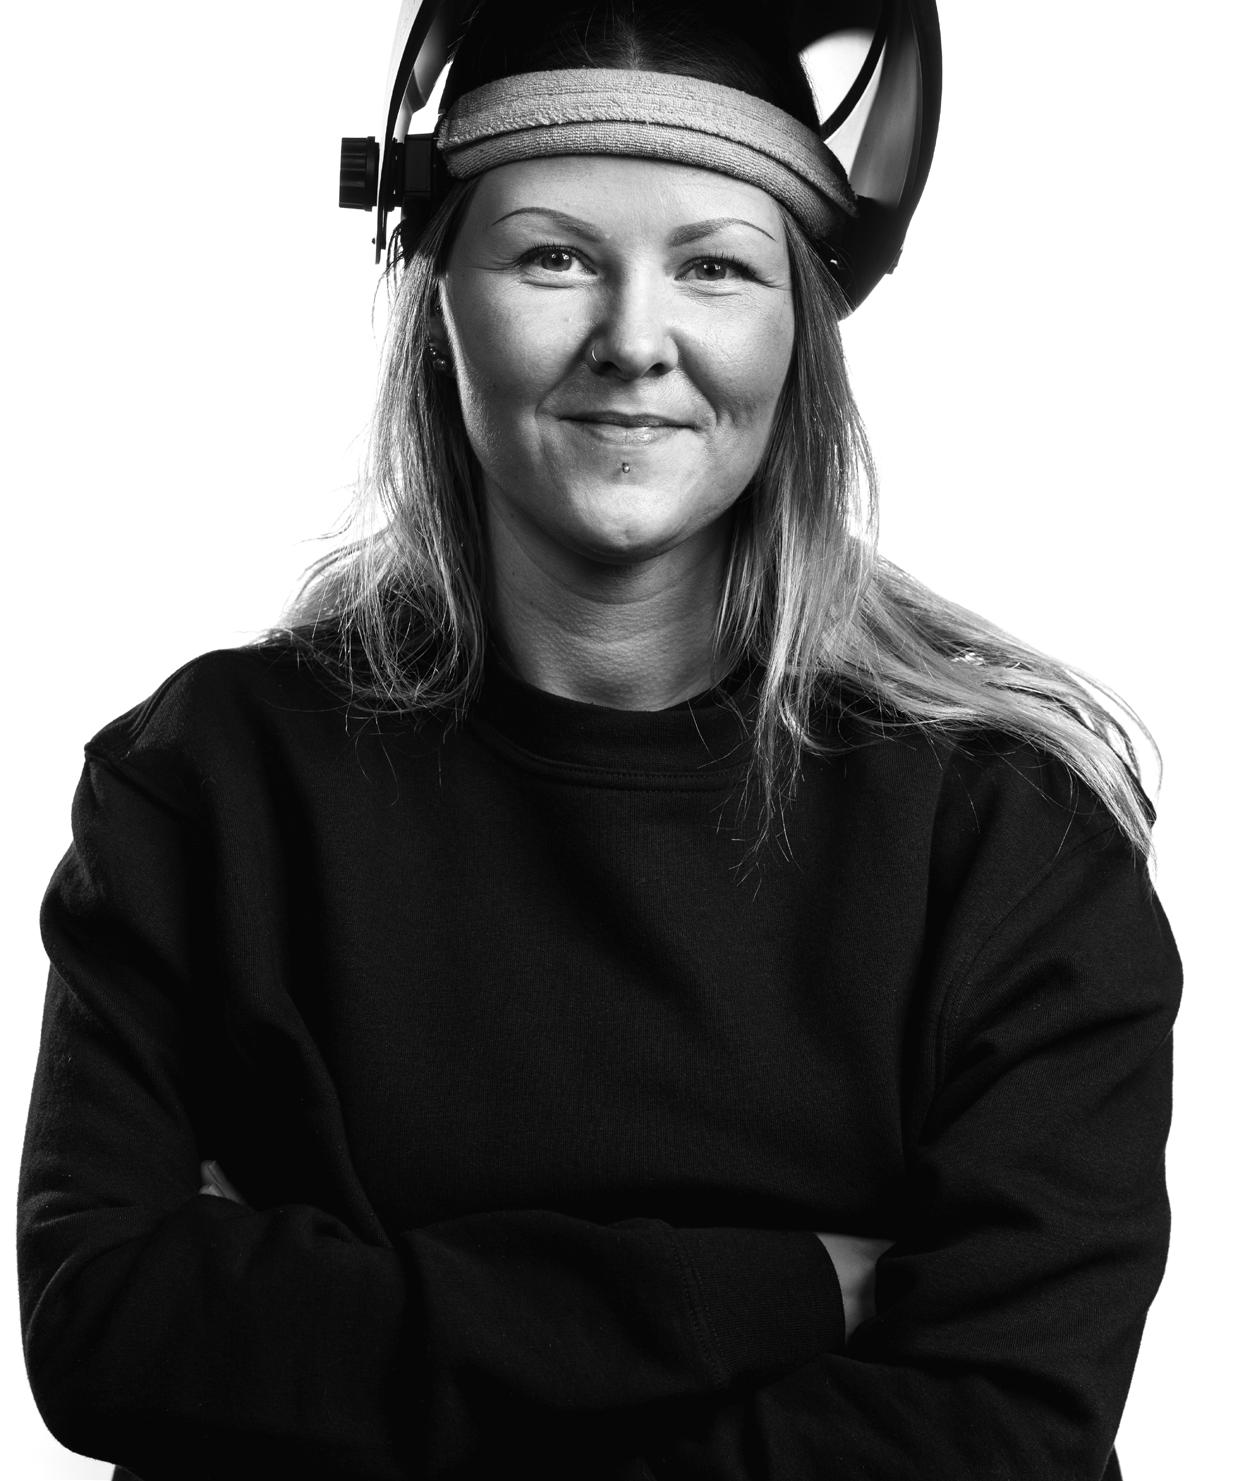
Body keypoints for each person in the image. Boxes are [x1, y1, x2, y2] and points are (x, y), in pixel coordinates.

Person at [17, 3, 1180, 1479]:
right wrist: (778, 1293)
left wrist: (316, 1369)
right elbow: (111, 1329)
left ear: (799, 329)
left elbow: (996, 1438)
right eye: (553, 257)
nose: (634, 342)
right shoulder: (210, 785)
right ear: (438, 296)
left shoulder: (1009, 836)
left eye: (714, 266)